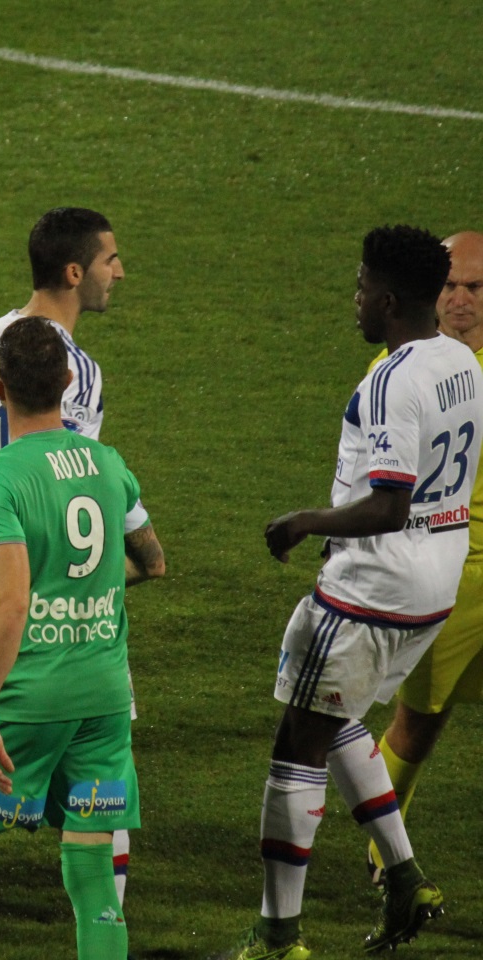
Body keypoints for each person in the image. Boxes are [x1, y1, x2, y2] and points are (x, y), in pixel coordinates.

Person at [216, 226, 483, 960]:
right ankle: (405, 878)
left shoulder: (394, 379)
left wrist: (306, 521)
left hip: (376, 583)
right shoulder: (461, 359)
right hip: (437, 580)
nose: (354, 299)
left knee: (294, 745)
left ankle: (278, 936)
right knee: (337, 718)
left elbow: (389, 503)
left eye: (362, 285)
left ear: (389, 299)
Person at [0, 315, 164, 960]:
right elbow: (152, 559)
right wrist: (87, 593)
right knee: (92, 878)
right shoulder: (108, 463)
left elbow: (9, 600)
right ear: (65, 381)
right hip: (103, 697)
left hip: (25, 698)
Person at [0, 207, 133, 900]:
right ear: (75, 272)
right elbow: (66, 472)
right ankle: (103, 914)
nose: (119, 273)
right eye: (111, 260)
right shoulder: (75, 368)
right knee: (96, 781)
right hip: (56, 604)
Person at [364, 231, 483, 884]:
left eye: (475, 287)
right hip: (451, 576)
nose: (460, 299)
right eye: (449, 286)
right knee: (419, 720)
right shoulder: (404, 371)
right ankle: (388, 856)